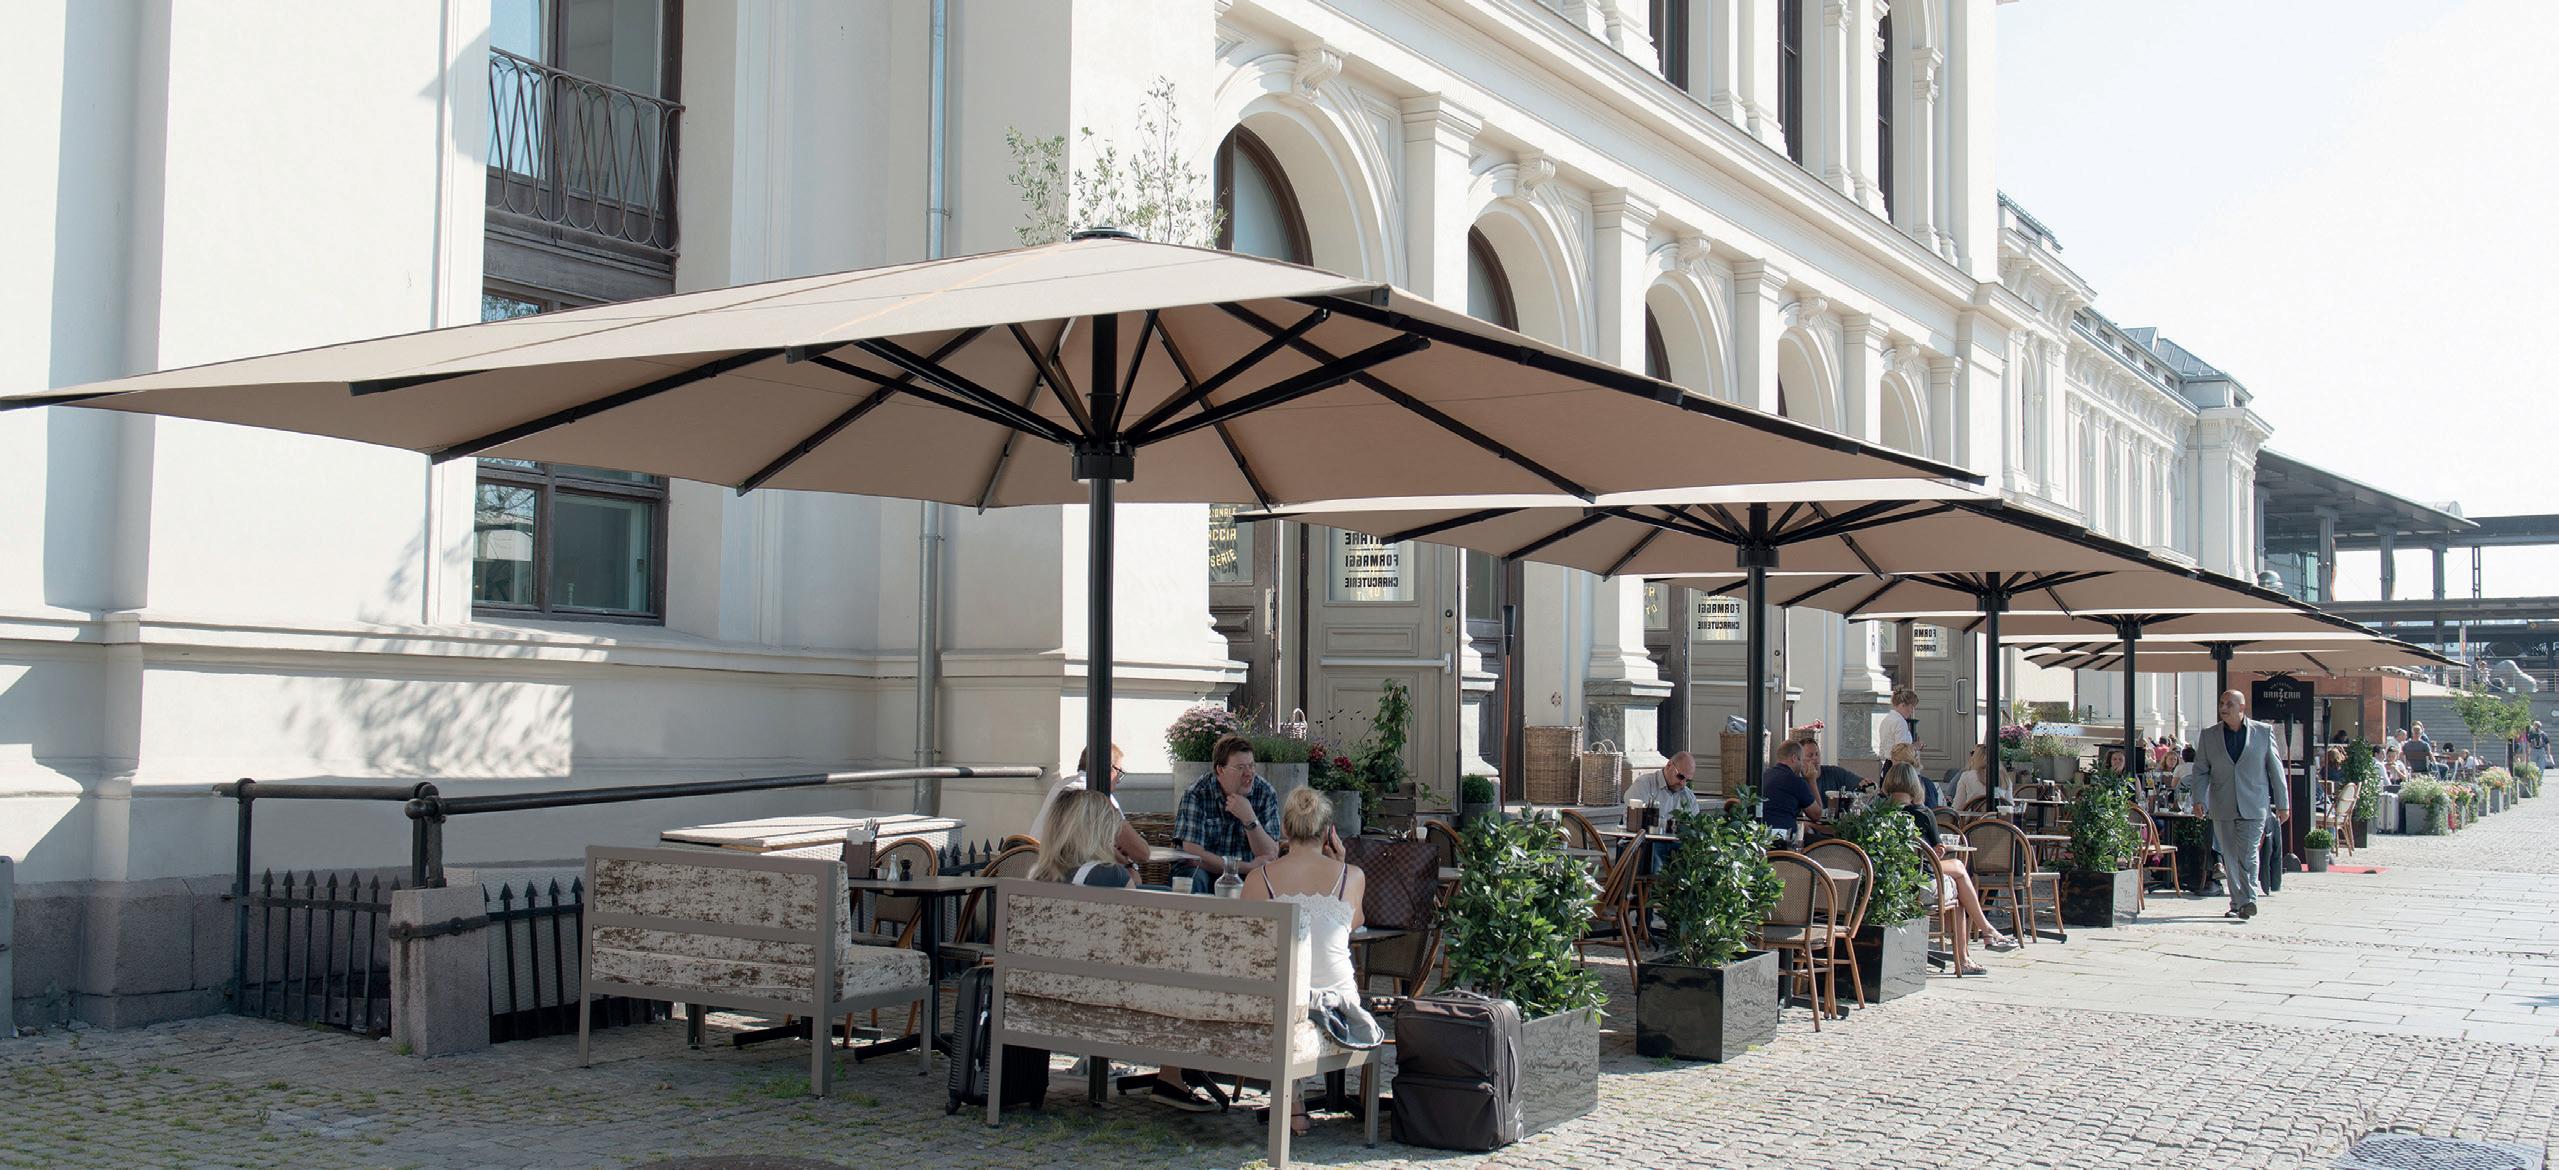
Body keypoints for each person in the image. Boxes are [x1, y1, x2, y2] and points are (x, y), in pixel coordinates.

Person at [1032, 790, 1213, 1111]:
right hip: (1103, 995)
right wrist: (1127, 864)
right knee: (1186, 975)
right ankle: (1171, 1077)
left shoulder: (1038, 875)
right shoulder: (1108, 875)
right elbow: (1137, 937)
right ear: (1097, 829)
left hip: (1046, 989)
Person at [1240, 786, 1372, 1136]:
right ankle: (1299, 1101)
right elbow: (1354, 922)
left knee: (1287, 988)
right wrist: (1339, 864)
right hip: (1337, 1000)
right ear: (1329, 832)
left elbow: (1246, 938)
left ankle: (1293, 1103)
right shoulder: (1351, 876)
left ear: (1285, 828)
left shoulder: (1259, 879)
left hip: (1281, 1000)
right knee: (1312, 981)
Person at [1883, 763, 2014, 967]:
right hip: (1919, 881)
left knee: (1957, 878)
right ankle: (1975, 946)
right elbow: (1937, 850)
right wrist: (1937, 850)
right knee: (1959, 875)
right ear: (1914, 784)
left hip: (1889, 883)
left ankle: (1982, 938)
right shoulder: (1923, 813)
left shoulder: (1879, 812)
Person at [2188, 689, 2289, 921]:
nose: (2223, 708)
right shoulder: (2209, 735)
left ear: (2242, 708)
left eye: (2229, 704)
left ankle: (2249, 899)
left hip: (2254, 804)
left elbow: (2275, 770)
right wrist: (2198, 799)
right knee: (2230, 856)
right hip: (2222, 804)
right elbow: (2200, 770)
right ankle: (2237, 902)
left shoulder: (2263, 732)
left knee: (2249, 854)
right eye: (2221, 703)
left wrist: (2283, 804)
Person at [1175, 733, 1282, 894]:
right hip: (1203, 870)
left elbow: (1270, 854)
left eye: (1251, 765)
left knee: (1266, 881)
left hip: (1249, 874)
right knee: (1195, 879)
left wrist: (1249, 819)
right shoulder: (1197, 794)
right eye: (1240, 768)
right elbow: (1193, 855)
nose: (1249, 773)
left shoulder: (1265, 792)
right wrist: (1245, 867)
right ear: (1220, 770)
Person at [1034, 743, 1152, 868]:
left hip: (1036, 866)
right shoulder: (1098, 795)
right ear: (1109, 768)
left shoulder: (1061, 786)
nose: (1118, 780)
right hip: (1069, 874)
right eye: (1119, 772)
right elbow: (1142, 854)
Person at [1032, 789, 1137, 886]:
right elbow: (1135, 893)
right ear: (1100, 832)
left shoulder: (1038, 873)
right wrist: (1128, 864)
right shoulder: (1111, 874)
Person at [1626, 751, 1702, 868]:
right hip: (1646, 846)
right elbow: (1630, 821)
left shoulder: (1688, 796)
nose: (1683, 783)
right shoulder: (1644, 785)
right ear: (1669, 765)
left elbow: (1696, 827)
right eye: (1680, 776)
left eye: (1687, 780)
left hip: (1676, 848)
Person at [1759, 737, 1822, 837]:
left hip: (1760, 836)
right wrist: (1812, 780)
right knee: (1823, 840)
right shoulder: (1796, 781)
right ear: (1794, 758)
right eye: (1801, 760)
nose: (1802, 764)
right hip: (1783, 839)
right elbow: (1817, 815)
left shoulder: (1764, 775)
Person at [1875, 688, 1922, 782]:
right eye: (1911, 707)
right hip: (1899, 767)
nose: (1912, 711)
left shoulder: (1887, 720)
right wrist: (1916, 746)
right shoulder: (1900, 722)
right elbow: (1901, 751)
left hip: (1888, 765)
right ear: (1902, 705)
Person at [1949, 744, 1995, 814]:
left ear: (1975, 758)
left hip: (1975, 819)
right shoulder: (2005, 778)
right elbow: (2010, 805)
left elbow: (1958, 806)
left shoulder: (1966, 776)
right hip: (2001, 819)